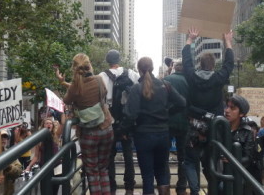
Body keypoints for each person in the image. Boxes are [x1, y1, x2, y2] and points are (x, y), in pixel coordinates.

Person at [121, 57, 186, 195]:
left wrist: (123, 130)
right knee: (162, 173)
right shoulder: (165, 85)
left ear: (139, 70)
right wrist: (168, 113)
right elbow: (182, 103)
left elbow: (130, 114)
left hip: (143, 135)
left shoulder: (136, 88)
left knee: (147, 175)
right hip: (163, 134)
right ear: (153, 68)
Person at [182, 27, 234, 195]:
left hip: (194, 128)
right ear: (213, 66)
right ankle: (215, 189)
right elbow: (229, 65)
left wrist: (190, 39)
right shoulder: (218, 78)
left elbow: (186, 61)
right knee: (210, 162)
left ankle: (195, 190)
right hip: (213, 129)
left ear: (200, 64)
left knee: (190, 161)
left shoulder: (192, 77)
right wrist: (228, 42)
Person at [62, 53, 114, 195]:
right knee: (103, 169)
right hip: (106, 128)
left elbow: (66, 99)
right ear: (89, 64)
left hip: (88, 133)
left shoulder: (74, 87)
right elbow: (104, 93)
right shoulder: (99, 80)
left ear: (74, 68)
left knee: (92, 171)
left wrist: (64, 83)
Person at [97, 49, 139, 195]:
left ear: (108, 61)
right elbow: (139, 92)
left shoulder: (101, 76)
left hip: (108, 122)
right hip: (126, 123)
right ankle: (129, 187)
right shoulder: (132, 73)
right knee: (128, 155)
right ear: (119, 60)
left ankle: (111, 187)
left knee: (109, 156)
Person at [163, 59, 190, 195]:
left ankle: (165, 185)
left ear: (174, 68)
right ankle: (181, 188)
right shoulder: (189, 81)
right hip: (185, 123)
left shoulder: (167, 80)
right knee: (183, 157)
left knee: (164, 156)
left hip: (167, 122)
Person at [223, 95, 256, 194]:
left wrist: (232, 159)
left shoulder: (247, 132)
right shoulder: (219, 127)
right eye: (227, 106)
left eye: (232, 108)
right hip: (219, 174)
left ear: (241, 113)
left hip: (237, 178)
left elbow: (249, 157)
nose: (227, 110)